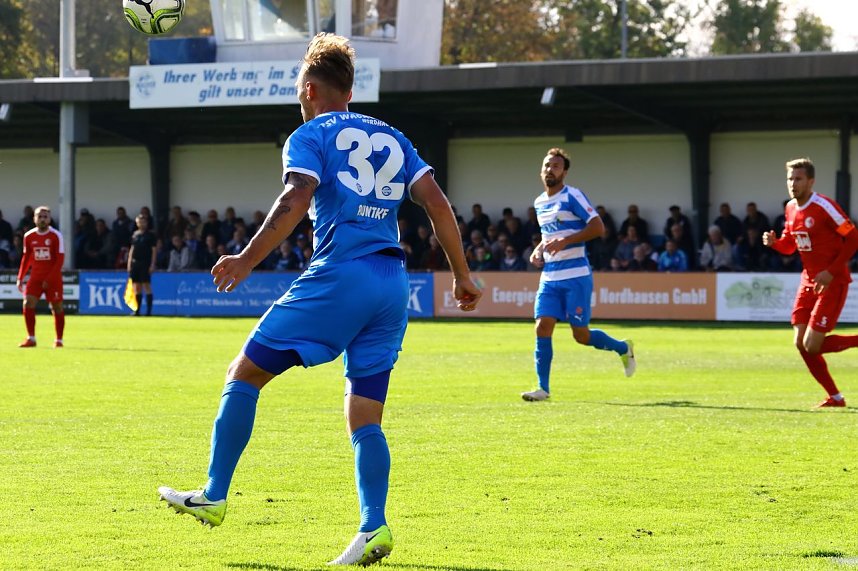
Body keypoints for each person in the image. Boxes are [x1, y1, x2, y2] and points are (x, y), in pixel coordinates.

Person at [157, 33, 481, 567]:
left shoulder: (309, 135)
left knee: (244, 374)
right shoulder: (395, 137)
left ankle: (214, 494)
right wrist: (462, 275)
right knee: (366, 417)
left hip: (341, 276)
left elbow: (294, 198)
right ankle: (373, 526)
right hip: (392, 284)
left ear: (309, 88)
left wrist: (245, 259)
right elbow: (437, 204)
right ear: (348, 89)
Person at [521, 148, 635, 402]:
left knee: (580, 335)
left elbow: (598, 227)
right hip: (550, 276)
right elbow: (548, 236)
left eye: (556, 166)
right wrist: (538, 250)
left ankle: (623, 348)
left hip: (576, 275)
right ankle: (543, 388)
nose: (551, 169)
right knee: (542, 326)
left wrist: (566, 241)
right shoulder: (540, 202)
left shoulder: (573, 195)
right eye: (547, 165)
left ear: (564, 171)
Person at [763, 158, 858, 408]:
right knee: (801, 344)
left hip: (832, 281)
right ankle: (835, 398)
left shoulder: (824, 206)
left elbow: (853, 238)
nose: (793, 184)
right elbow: (790, 245)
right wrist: (775, 244)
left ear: (811, 181)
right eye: (790, 179)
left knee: (811, 345)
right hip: (809, 280)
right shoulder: (791, 208)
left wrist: (831, 271)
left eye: (798, 179)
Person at [16, 206, 65, 348]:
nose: (42, 219)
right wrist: (21, 277)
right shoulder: (29, 236)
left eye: (45, 217)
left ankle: (59, 340)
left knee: (57, 307)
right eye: (40, 216)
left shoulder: (56, 236)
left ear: (49, 219)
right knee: (27, 303)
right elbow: (26, 258)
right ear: (34, 219)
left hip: (53, 278)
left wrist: (49, 279)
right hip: (36, 278)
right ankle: (31, 338)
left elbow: (59, 260)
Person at [127, 213, 157, 316]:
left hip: (145, 263)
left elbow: (154, 250)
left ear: (146, 223)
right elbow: (132, 249)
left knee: (146, 285)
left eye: (143, 222)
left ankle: (149, 311)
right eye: (139, 222)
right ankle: (137, 310)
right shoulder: (135, 234)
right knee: (136, 286)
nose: (141, 224)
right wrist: (129, 263)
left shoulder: (150, 235)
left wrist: (152, 264)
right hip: (136, 263)